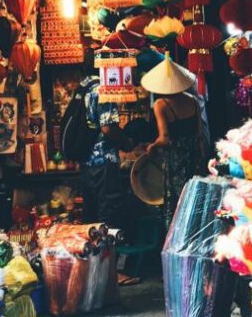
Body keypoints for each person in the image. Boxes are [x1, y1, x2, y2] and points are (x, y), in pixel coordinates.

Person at [140, 55, 203, 230]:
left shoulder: (161, 104)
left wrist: (153, 146)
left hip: (175, 159)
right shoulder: (193, 102)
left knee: (177, 203)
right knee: (193, 199)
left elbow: (165, 137)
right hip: (194, 157)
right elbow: (199, 133)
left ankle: (175, 239)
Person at [78, 69, 132, 233]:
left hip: (86, 162)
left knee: (91, 219)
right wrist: (126, 143)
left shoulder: (83, 85)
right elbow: (108, 128)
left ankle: (94, 256)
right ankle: (109, 256)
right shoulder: (103, 90)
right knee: (109, 218)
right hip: (103, 163)